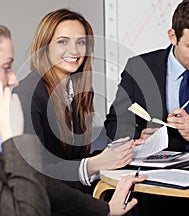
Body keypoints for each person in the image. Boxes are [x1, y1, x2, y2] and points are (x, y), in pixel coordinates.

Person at [0, 15, 147, 216]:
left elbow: (42, 184)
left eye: (81, 42)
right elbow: (29, 209)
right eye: (6, 67)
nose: (14, 80)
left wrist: (105, 209)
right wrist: (12, 134)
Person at [104, 0, 189, 215]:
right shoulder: (140, 68)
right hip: (152, 188)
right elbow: (114, 123)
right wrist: (140, 137)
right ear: (173, 36)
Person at [14, 8, 145, 195]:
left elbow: (72, 159)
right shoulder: (27, 95)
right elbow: (36, 170)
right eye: (63, 42)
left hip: (72, 195)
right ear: (45, 46)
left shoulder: (77, 89)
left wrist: (119, 152)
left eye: (81, 42)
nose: (74, 50)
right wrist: (94, 164)